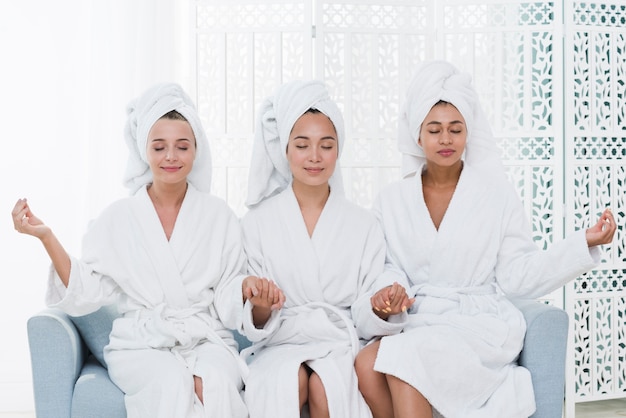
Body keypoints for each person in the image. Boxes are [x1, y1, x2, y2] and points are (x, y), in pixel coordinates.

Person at [354, 60, 616, 418]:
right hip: (421, 318)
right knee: (366, 365)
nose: (446, 139)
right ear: (417, 135)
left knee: (404, 357)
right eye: (434, 130)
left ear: (468, 132)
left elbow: (517, 273)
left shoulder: (496, 194)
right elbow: (385, 267)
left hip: (478, 323)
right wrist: (391, 291)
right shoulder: (391, 200)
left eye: (455, 129)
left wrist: (582, 243)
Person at [12, 83, 249, 418]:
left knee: (215, 383)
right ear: (144, 151)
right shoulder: (118, 218)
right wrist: (47, 237)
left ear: (196, 151)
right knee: (169, 382)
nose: (170, 156)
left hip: (204, 338)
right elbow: (86, 288)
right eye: (159, 146)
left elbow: (228, 289)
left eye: (182, 146)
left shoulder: (218, 215)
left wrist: (250, 294)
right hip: (139, 343)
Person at [238, 80, 407, 418]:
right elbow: (254, 317)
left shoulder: (363, 224)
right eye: (302, 145)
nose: (314, 157)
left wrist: (380, 306)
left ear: (339, 150)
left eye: (326, 145)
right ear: (285, 150)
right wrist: (259, 305)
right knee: (286, 381)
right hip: (281, 342)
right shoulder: (256, 223)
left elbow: (365, 309)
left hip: (339, 344)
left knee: (326, 385)